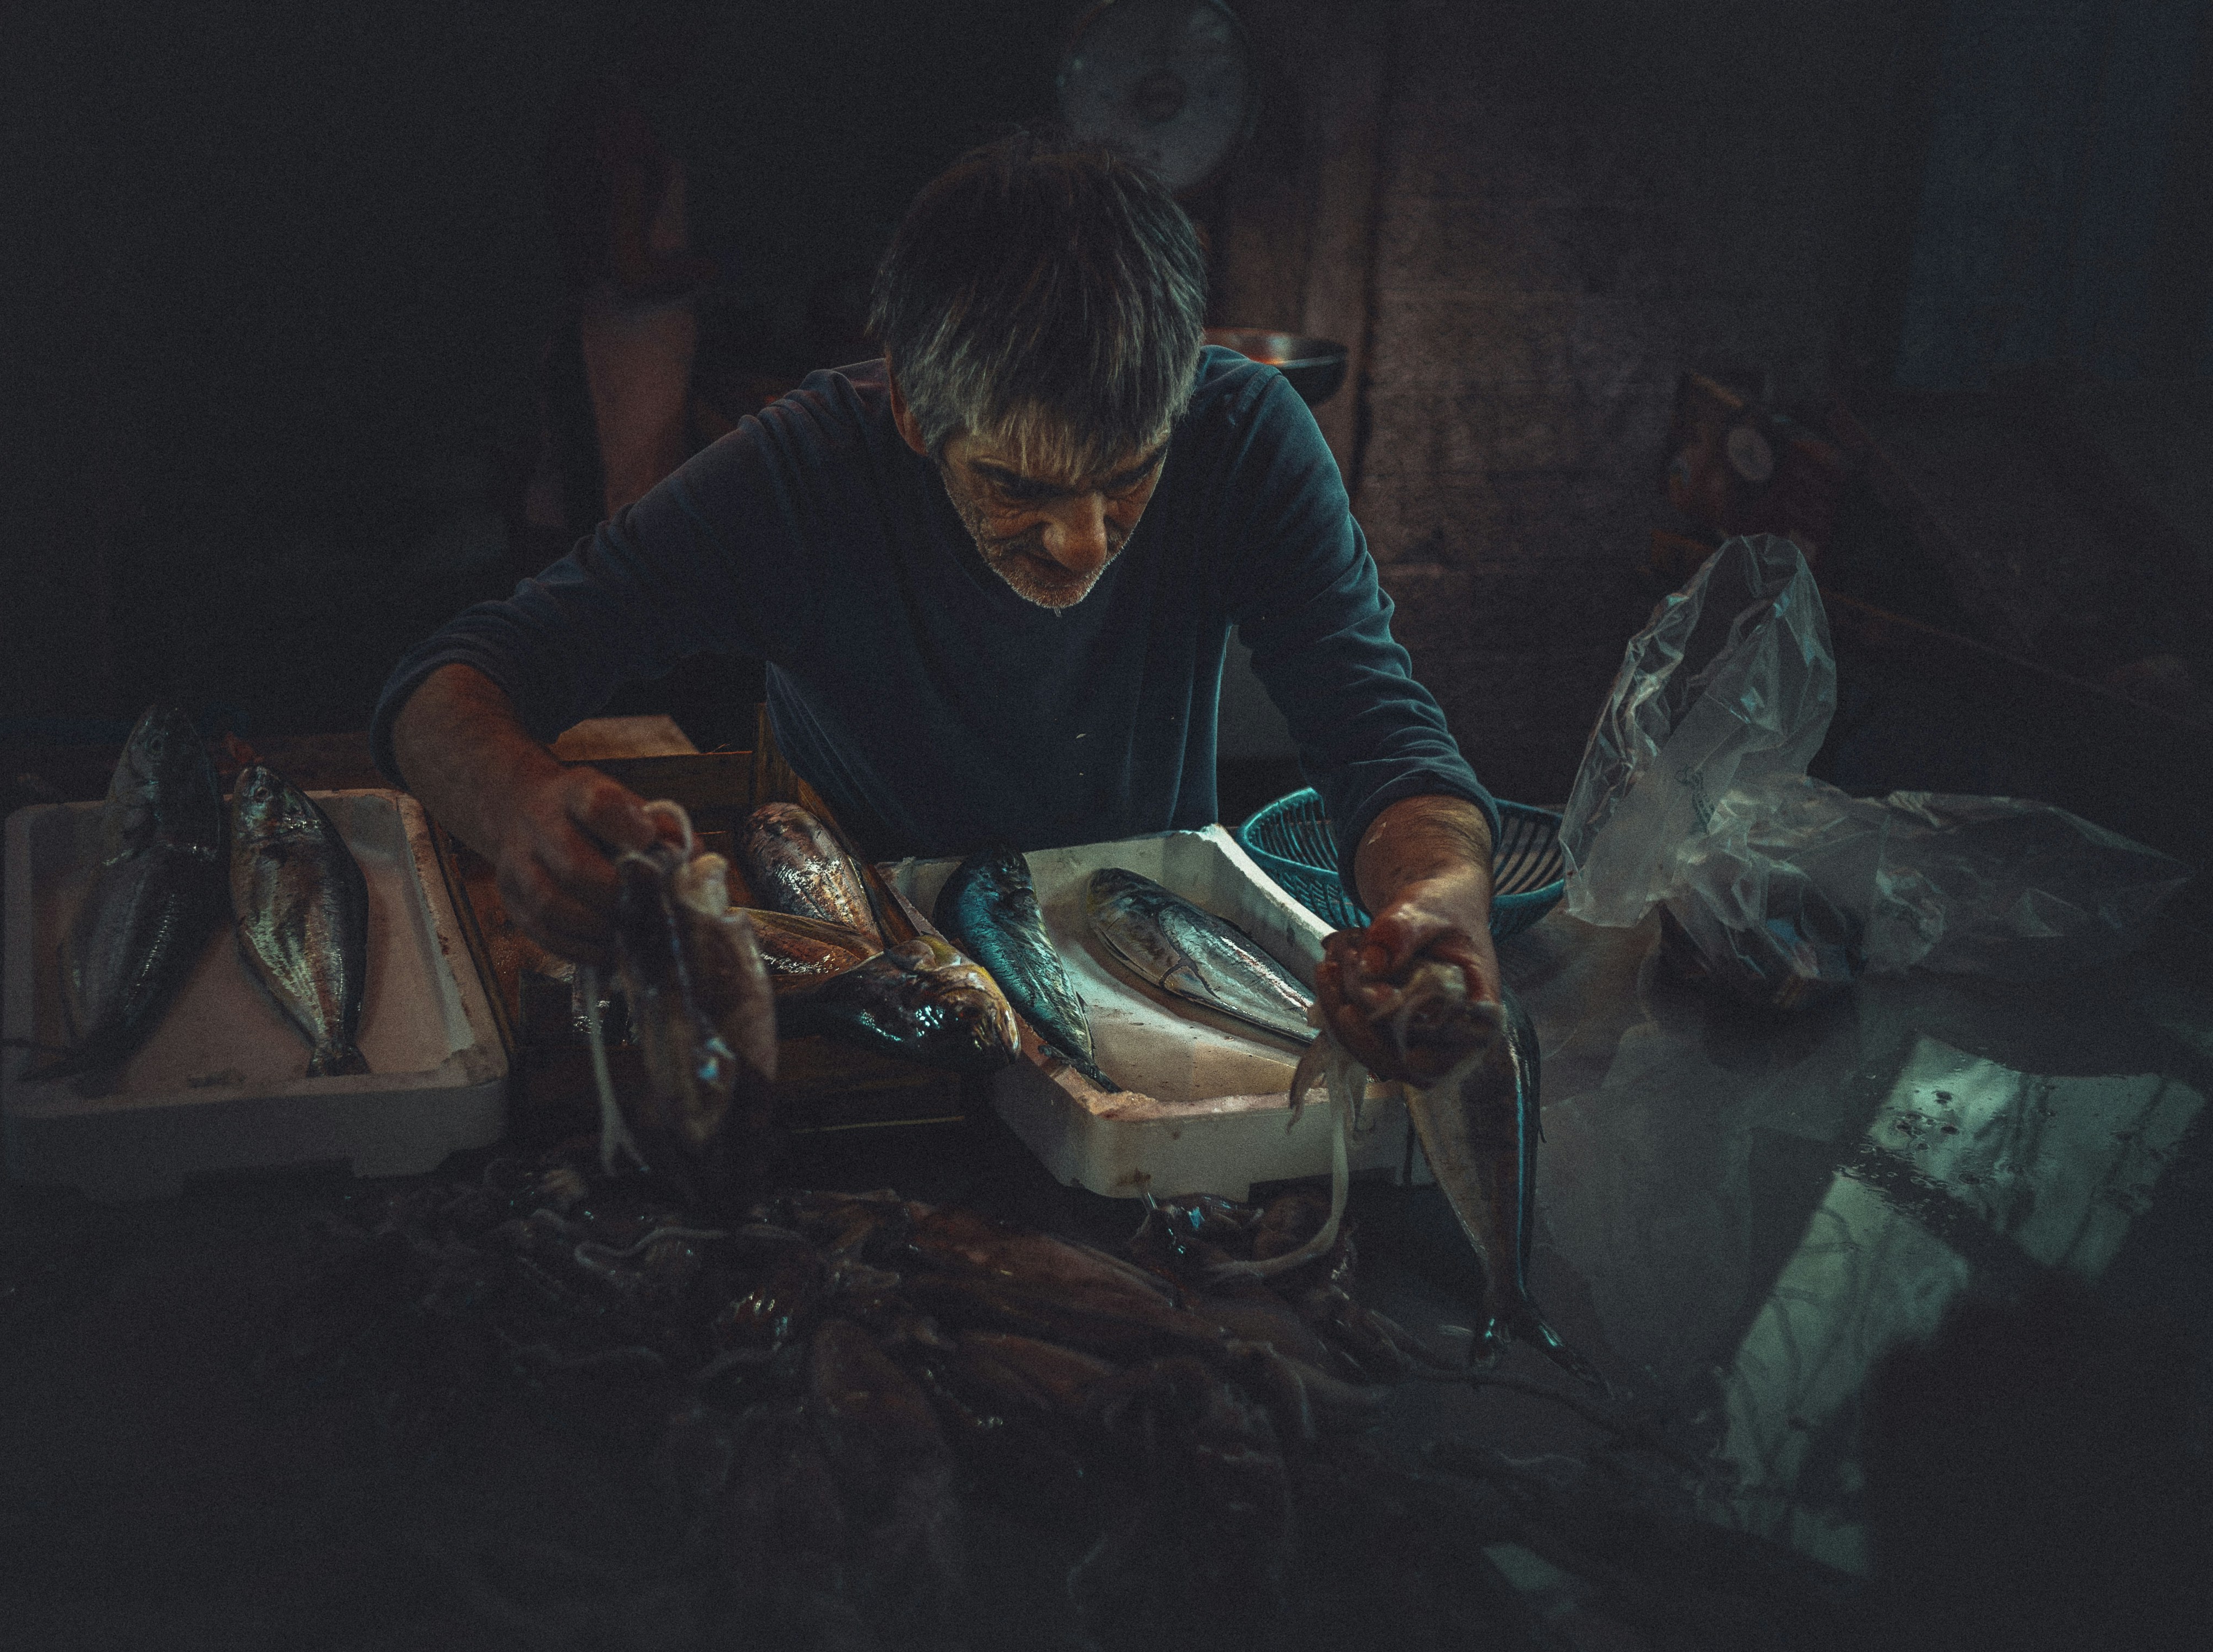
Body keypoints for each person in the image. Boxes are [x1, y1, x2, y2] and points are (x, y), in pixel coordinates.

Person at [377, 129, 1501, 1085]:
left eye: (1128, 476)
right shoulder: (804, 470)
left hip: (1154, 990)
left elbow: (1387, 747)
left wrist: (1438, 908)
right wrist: (520, 805)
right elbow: (450, 681)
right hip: (869, 1012)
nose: (1082, 543)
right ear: (913, 407)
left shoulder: (1247, 435)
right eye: (1019, 485)